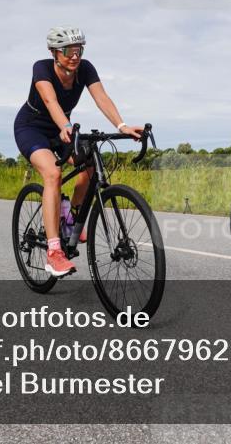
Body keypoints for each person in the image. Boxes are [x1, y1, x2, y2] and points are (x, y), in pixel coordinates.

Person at [14, 27, 144, 277]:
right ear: (54, 52)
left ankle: (71, 219)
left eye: (78, 50)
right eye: (68, 51)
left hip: (62, 128)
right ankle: (54, 253)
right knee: (53, 174)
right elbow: (50, 101)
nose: (75, 56)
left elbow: (101, 97)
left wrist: (122, 126)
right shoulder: (41, 68)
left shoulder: (85, 68)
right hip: (32, 128)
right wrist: (65, 126)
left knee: (90, 164)